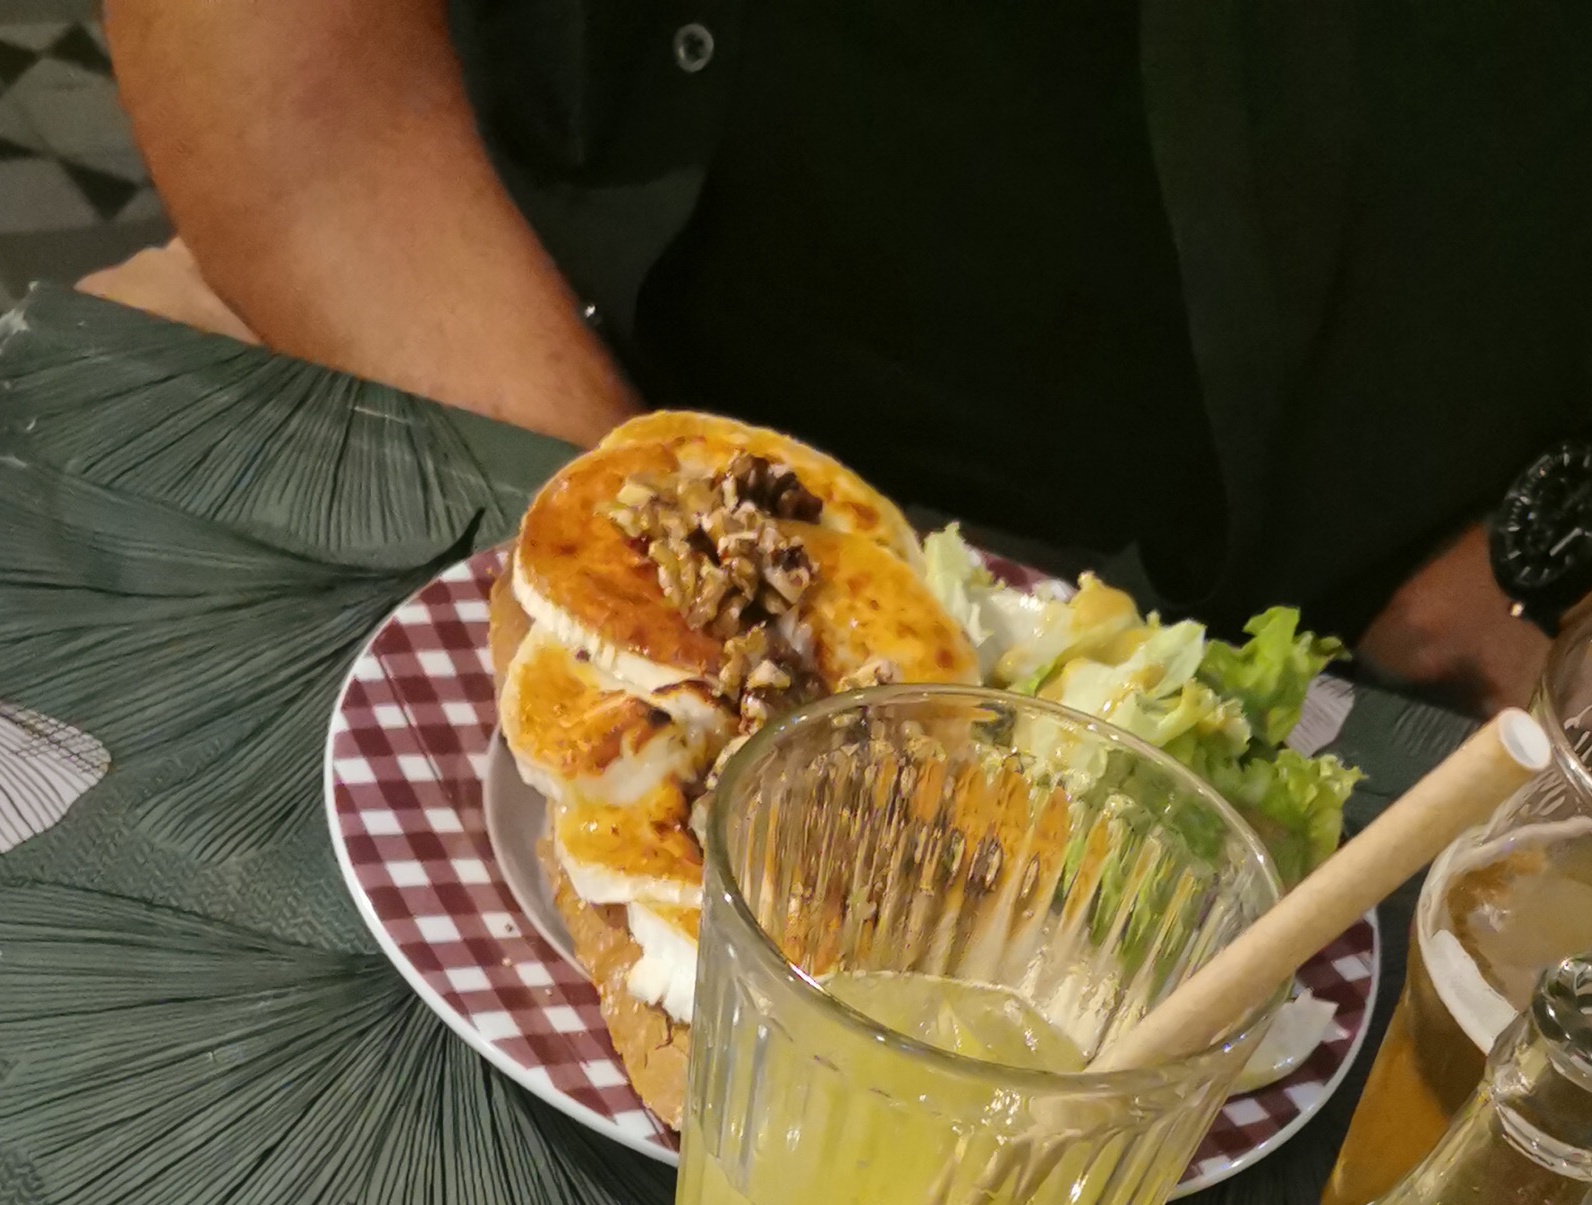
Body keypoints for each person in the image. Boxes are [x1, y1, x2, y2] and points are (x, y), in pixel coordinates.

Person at [91, 0, 1588, 713]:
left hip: (1412, 590)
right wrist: (628, 559)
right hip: (458, 301)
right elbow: (292, 89)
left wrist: (1559, 535)